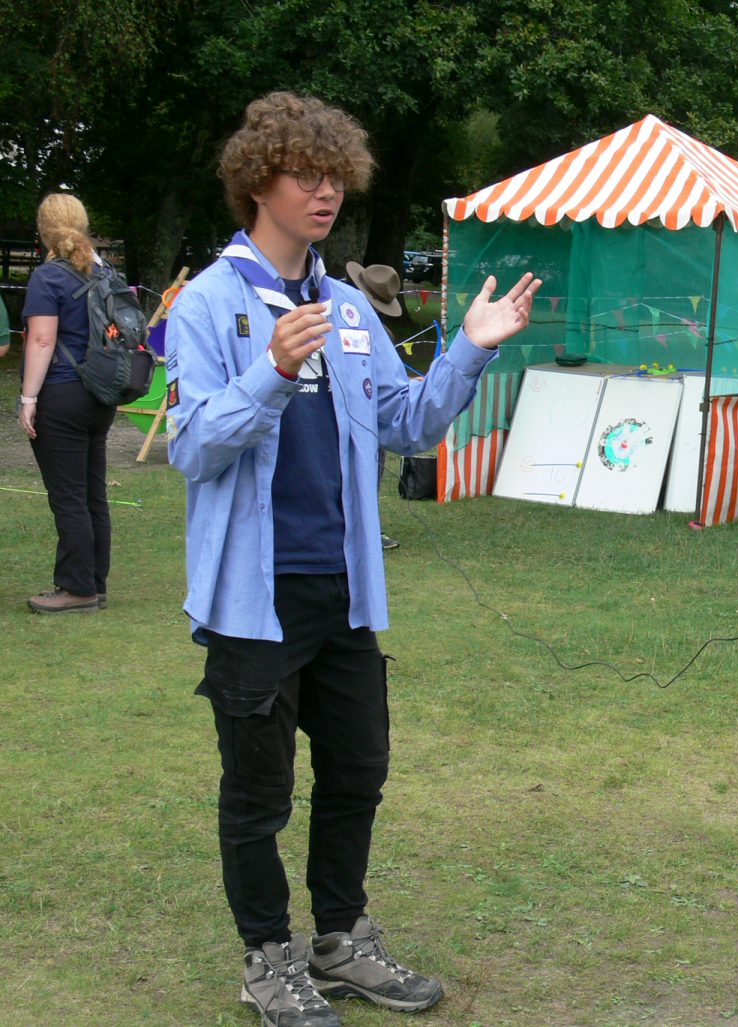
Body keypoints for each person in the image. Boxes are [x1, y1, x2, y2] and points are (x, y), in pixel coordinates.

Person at [166, 91, 541, 1027]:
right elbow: (192, 446)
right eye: (307, 174)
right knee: (258, 795)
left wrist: (469, 350)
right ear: (260, 181)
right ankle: (267, 960)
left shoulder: (341, 303)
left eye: (337, 175)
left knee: (357, 772)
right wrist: (272, 371)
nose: (326, 191)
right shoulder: (210, 302)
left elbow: (403, 422)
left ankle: (340, 942)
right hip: (254, 601)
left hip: (343, 590)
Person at [16, 193, 117, 613]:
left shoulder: (48, 277)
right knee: (93, 491)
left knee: (68, 495)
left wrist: (28, 397)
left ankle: (76, 587)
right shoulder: (107, 272)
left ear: (43, 230)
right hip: (101, 392)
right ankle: (94, 580)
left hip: (62, 391)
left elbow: (42, 340)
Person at [345, 260, 408, 551]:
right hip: (349, 415)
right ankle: (359, 530)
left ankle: (367, 528)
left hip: (372, 416)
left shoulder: (380, 332)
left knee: (372, 472)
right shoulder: (346, 323)